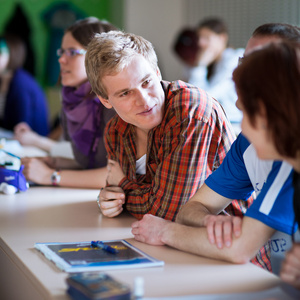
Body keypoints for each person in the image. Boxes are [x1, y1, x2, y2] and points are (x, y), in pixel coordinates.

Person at [131, 23, 300, 274]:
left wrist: (164, 231)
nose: (240, 126)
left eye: (244, 115)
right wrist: (212, 222)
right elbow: (190, 210)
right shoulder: (258, 147)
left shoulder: (288, 163)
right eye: (247, 60)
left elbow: (239, 248)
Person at [85, 30, 244, 221]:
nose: (143, 100)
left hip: (222, 239)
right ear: (105, 100)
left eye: (146, 82)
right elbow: (117, 193)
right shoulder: (115, 132)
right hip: (155, 240)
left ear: (158, 73)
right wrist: (107, 198)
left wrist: (123, 185)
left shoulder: (190, 110)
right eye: (125, 93)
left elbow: (170, 213)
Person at [20, 17, 117, 188]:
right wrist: (55, 162)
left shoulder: (113, 101)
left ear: (99, 57)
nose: (61, 60)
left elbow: (117, 174)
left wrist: (51, 175)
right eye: (62, 52)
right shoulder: (72, 100)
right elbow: (91, 162)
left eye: (72, 52)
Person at [181, 17, 244, 129]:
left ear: (222, 38)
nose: (201, 43)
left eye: (206, 38)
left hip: (233, 125)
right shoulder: (212, 63)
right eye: (199, 38)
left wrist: (200, 65)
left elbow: (204, 98)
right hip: (215, 123)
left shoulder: (234, 59)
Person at [0, 34, 49, 136]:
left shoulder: (21, 83)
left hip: (31, 144)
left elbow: (23, 126)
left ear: (12, 55)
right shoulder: (4, 79)